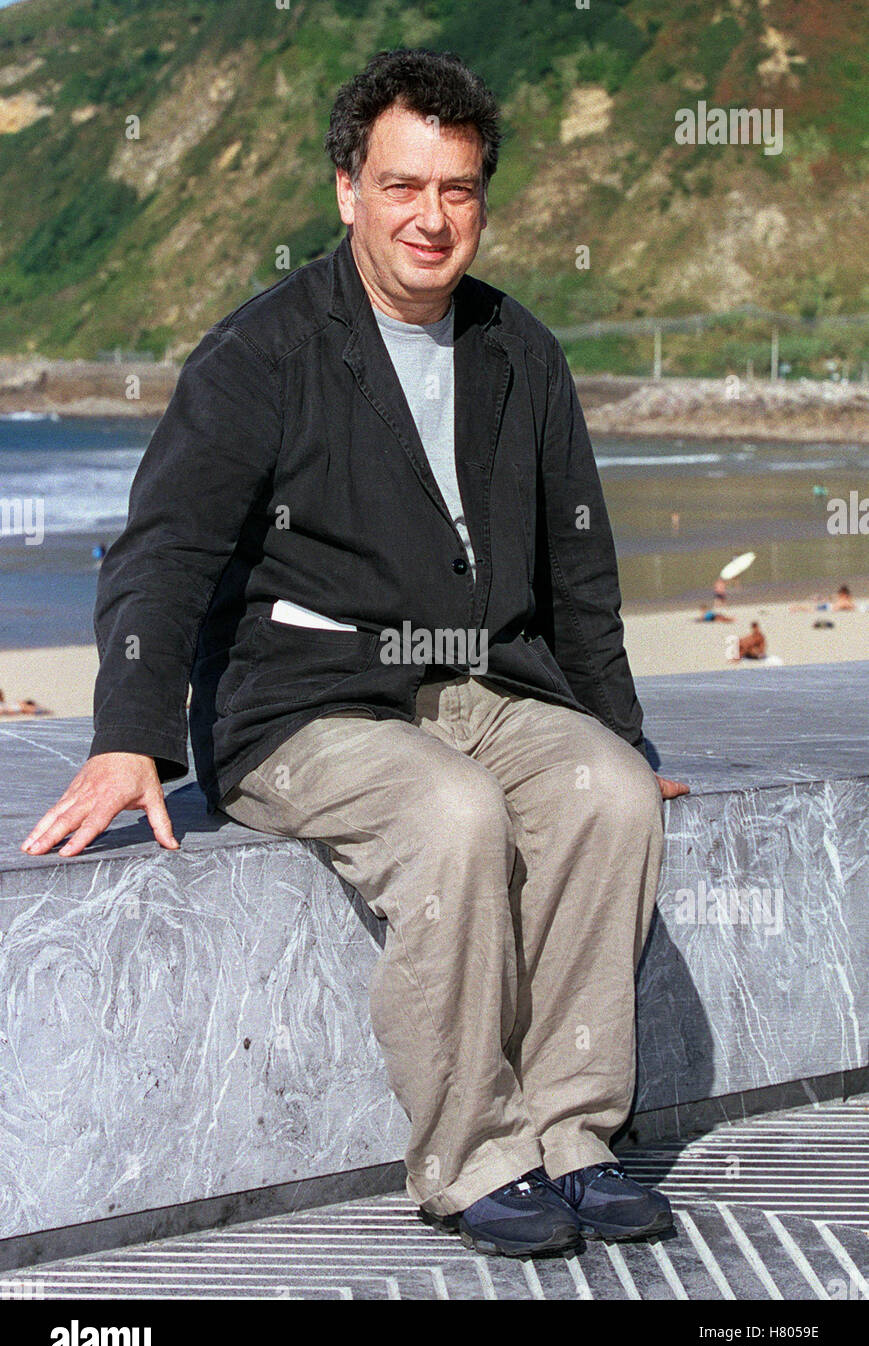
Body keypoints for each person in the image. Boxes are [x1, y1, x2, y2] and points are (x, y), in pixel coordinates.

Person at [21, 49, 690, 1259]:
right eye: (402, 186)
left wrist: (618, 727)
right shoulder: (262, 352)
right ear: (346, 190)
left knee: (605, 791)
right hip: (300, 702)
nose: (432, 218)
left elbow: (579, 568)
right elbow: (163, 547)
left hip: (481, 680)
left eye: (459, 190)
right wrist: (127, 735)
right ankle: (471, 1157)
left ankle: (575, 1132)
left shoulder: (518, 351)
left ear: (482, 199)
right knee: (451, 814)